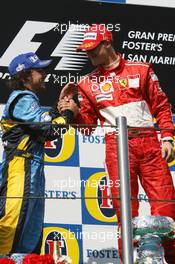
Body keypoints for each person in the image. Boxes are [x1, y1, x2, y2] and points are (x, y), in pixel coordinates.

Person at [59, 24, 175, 263]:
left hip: (149, 144)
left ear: (107, 43)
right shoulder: (86, 83)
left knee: (167, 211)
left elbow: (162, 107)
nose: (88, 54)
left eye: (92, 49)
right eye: (85, 50)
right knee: (125, 215)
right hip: (117, 147)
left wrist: (167, 137)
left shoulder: (141, 69)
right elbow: (88, 126)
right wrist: (74, 113)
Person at [0, 52, 76, 254]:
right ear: (25, 77)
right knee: (14, 227)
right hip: (20, 169)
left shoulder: (28, 101)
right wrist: (68, 113)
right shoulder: (22, 98)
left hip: (31, 168)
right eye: (39, 70)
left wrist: (60, 105)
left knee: (31, 233)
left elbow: (42, 122)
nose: (44, 74)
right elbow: (49, 130)